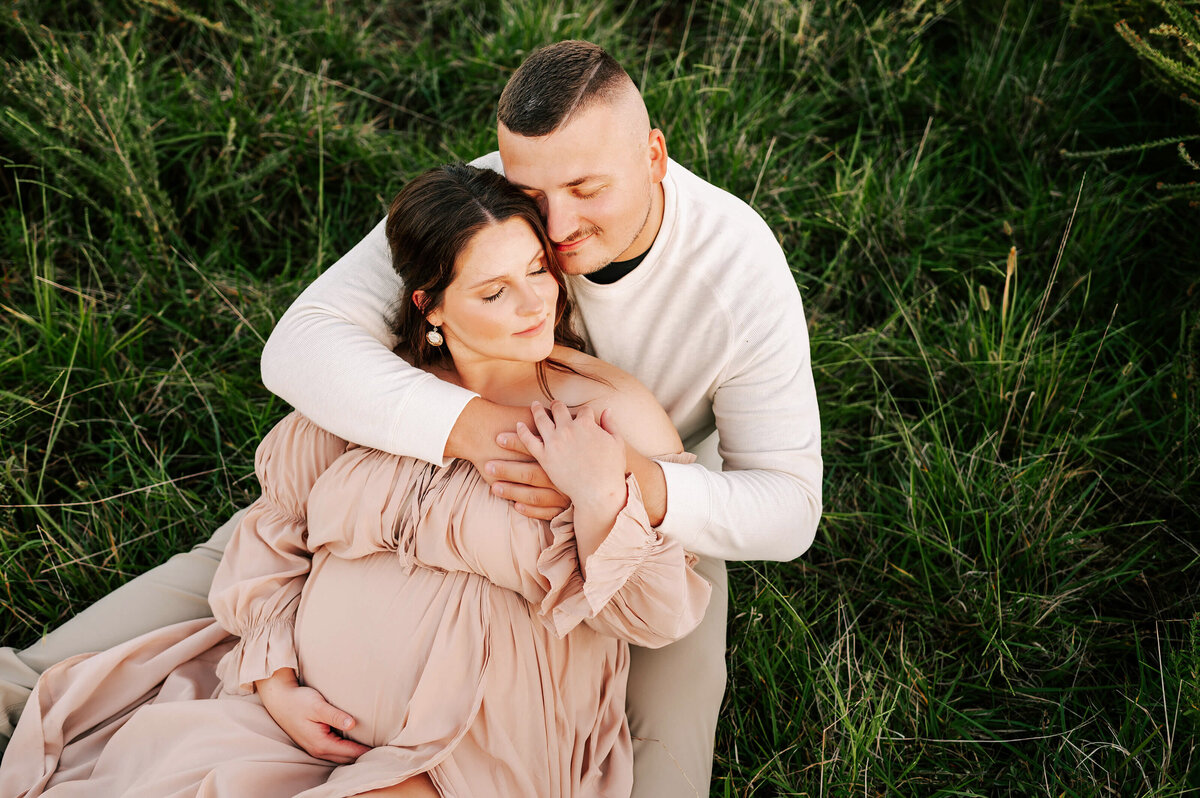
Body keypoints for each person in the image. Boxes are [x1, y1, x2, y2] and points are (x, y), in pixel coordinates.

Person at [0, 40, 822, 796]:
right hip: (414, 454)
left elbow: (786, 509)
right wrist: (471, 432)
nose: (559, 232)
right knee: (219, 581)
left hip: (648, 500)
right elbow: (298, 349)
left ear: (655, 156)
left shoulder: (737, 273)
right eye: (534, 195)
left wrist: (629, 484)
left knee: (667, 741)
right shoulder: (481, 209)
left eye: (586, 191)